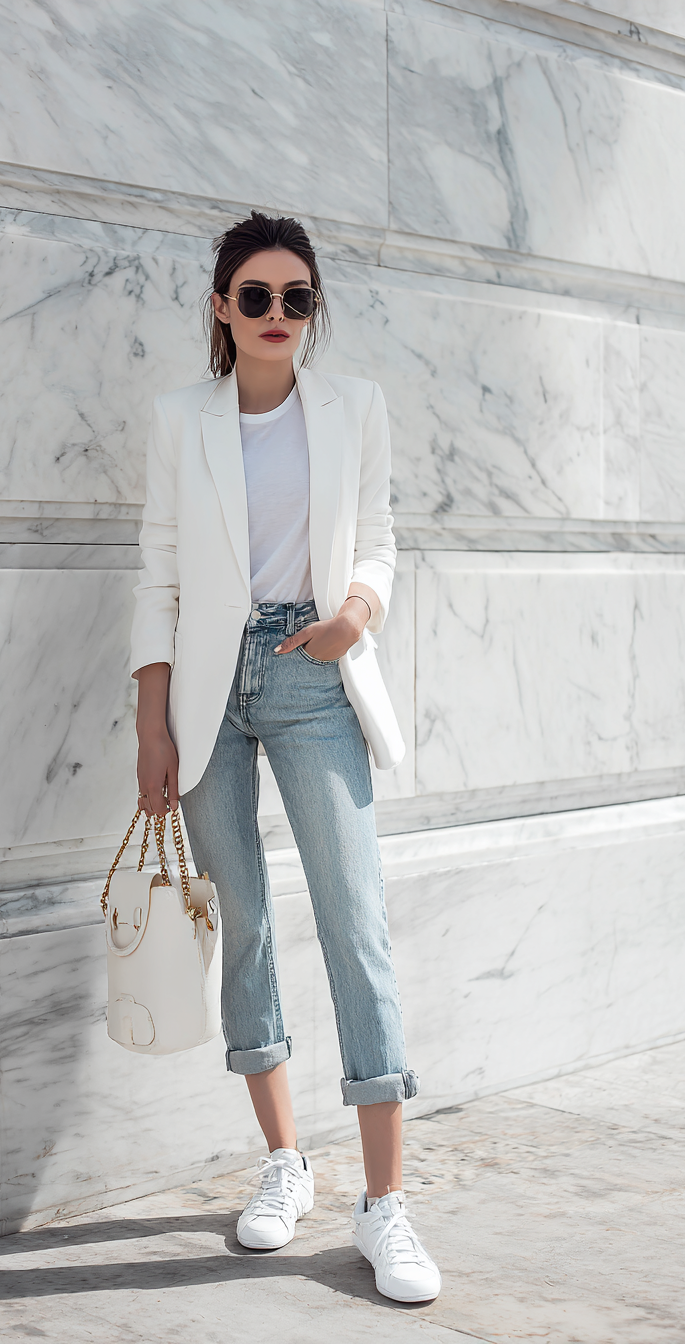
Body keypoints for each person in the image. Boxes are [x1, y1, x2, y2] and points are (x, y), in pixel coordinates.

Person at [130, 211, 440, 1303]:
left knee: (354, 921)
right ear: (221, 306)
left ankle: (384, 1204)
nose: (274, 315)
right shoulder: (182, 420)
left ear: (313, 309)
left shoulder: (356, 410)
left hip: (313, 670)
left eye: (294, 297)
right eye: (253, 296)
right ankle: (281, 1164)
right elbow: (159, 573)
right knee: (245, 922)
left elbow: (380, 537)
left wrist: (357, 608)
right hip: (207, 690)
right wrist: (151, 721)